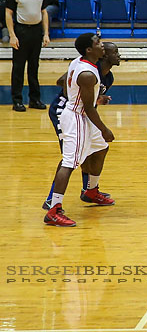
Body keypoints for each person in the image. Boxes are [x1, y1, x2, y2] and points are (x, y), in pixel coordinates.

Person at [42, 34, 115, 227]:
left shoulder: (81, 62)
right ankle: (54, 209)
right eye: (98, 43)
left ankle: (91, 191)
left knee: (101, 148)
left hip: (81, 113)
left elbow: (81, 95)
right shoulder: (87, 74)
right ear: (89, 50)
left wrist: (95, 99)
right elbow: (88, 109)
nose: (102, 46)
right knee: (69, 163)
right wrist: (105, 129)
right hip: (77, 118)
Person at [6, 0, 51, 112]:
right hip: (21, 31)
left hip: (36, 31)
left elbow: (44, 12)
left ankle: (34, 99)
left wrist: (46, 33)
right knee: (18, 67)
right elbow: (8, 13)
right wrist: (12, 35)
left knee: (34, 67)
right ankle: (17, 100)